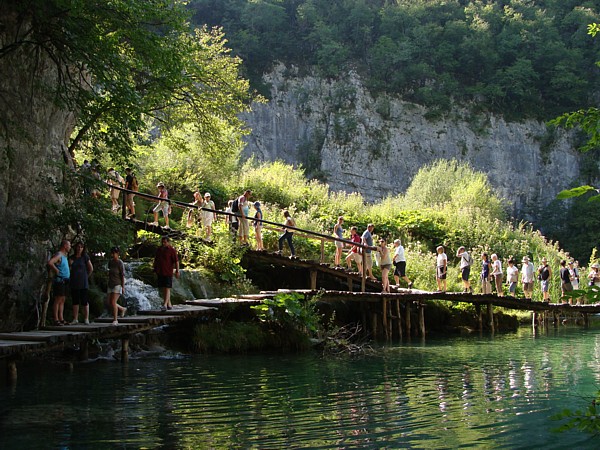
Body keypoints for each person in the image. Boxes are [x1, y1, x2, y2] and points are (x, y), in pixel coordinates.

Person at [47, 239, 71, 325]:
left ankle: (61, 318)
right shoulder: (59, 255)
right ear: (65, 246)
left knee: (63, 299)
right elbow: (50, 263)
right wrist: (56, 270)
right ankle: (56, 319)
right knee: (58, 299)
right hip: (60, 280)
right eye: (69, 245)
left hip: (65, 280)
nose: (70, 247)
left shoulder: (64, 256)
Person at [69, 242, 93, 325]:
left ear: (83, 248)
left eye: (81, 247)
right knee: (75, 301)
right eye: (78, 247)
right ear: (75, 248)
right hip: (74, 282)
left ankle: (86, 318)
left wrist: (86, 276)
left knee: (84, 301)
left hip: (83, 282)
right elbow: (68, 268)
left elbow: (91, 268)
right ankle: (75, 319)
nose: (79, 248)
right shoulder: (72, 258)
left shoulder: (85, 257)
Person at [153, 236, 180, 311]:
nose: (163, 243)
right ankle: (169, 303)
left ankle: (164, 304)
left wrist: (177, 271)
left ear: (168, 242)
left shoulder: (171, 250)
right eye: (162, 242)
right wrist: (154, 270)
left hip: (168, 271)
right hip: (160, 271)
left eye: (165, 242)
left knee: (167, 287)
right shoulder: (159, 249)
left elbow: (176, 261)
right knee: (163, 288)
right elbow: (156, 260)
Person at [106, 246, 126, 325]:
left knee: (113, 302)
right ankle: (122, 309)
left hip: (117, 284)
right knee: (109, 302)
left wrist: (123, 287)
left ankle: (115, 319)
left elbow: (122, 275)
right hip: (110, 283)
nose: (113, 255)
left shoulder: (120, 262)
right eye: (112, 253)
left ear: (118, 254)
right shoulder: (110, 262)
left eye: (114, 253)